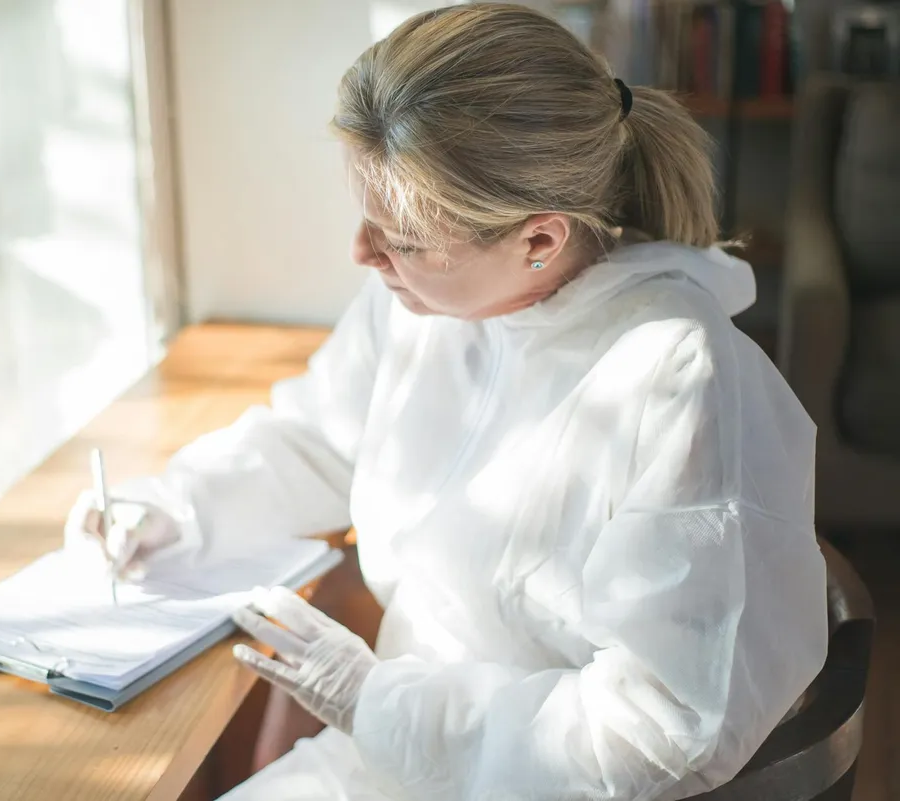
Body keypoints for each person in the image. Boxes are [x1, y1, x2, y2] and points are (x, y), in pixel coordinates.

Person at [65, 4, 829, 799]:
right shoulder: (422, 305)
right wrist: (175, 509)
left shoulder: (676, 382)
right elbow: (320, 438)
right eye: (365, 217)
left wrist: (381, 703)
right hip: (401, 747)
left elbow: (662, 728)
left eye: (401, 238)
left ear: (540, 240)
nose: (361, 253)